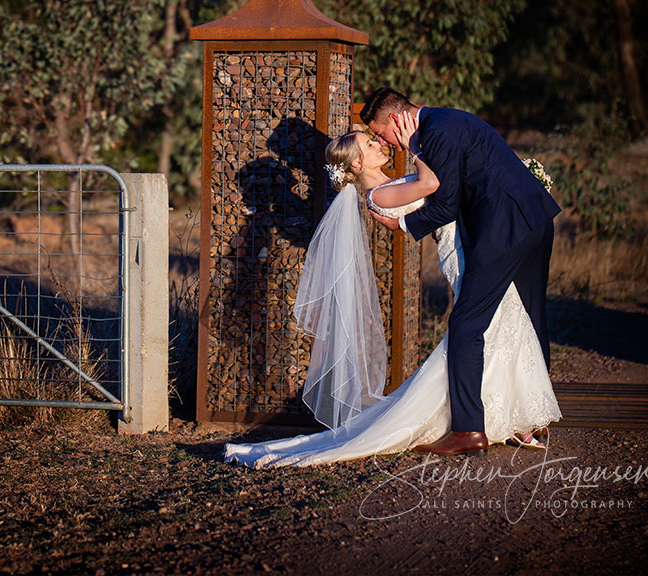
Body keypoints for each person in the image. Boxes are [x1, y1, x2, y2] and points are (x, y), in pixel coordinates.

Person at [224, 124, 559, 468]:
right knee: (492, 326)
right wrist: (418, 145)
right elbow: (433, 184)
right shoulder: (379, 197)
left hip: (475, 248)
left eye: (373, 140)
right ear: (356, 165)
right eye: (370, 145)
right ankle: (495, 418)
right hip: (460, 256)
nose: (379, 145)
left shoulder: (393, 185)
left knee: (507, 322)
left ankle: (511, 416)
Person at [364, 87, 561, 456]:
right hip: (536, 218)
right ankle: (532, 420)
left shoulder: (434, 134)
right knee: (533, 315)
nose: (383, 141)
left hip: (505, 230)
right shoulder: (446, 119)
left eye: (380, 133)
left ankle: (469, 430)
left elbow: (444, 206)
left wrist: (400, 226)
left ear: (395, 120)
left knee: (467, 325)